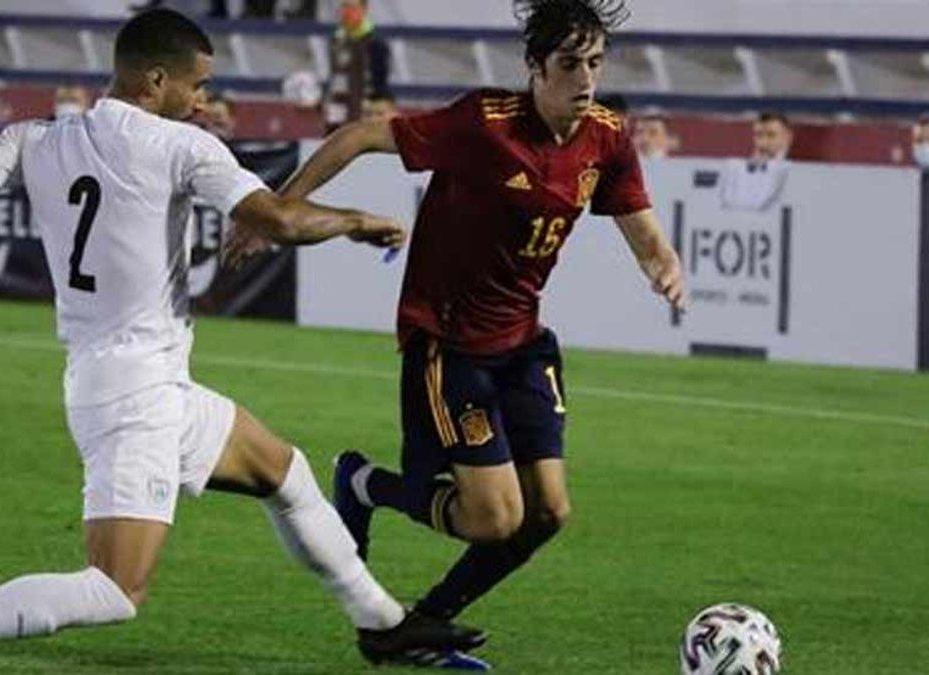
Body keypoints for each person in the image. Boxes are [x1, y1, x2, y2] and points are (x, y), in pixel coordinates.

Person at [0, 9, 485, 673]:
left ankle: (383, 624)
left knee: (284, 472)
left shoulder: (36, 138)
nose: (203, 101)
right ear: (156, 79)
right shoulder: (183, 147)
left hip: (133, 381)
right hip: (135, 398)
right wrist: (354, 219)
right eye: (198, 85)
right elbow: (277, 218)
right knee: (115, 589)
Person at [238, 0, 686, 664]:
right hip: (448, 345)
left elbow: (643, 230)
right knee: (492, 519)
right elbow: (361, 135)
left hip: (523, 343)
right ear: (535, 68)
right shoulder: (483, 123)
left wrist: (663, 262)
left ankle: (423, 621)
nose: (586, 79)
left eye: (594, 62)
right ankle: (364, 484)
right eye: (570, 64)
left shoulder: (607, 137)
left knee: (548, 514)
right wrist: (280, 207)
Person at [323, 0, 392, 132]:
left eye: (351, 7)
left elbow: (379, 83)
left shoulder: (376, 42)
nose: (346, 12)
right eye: (344, 7)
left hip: (366, 115)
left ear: (363, 10)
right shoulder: (336, 40)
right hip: (338, 112)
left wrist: (382, 105)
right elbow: (334, 78)